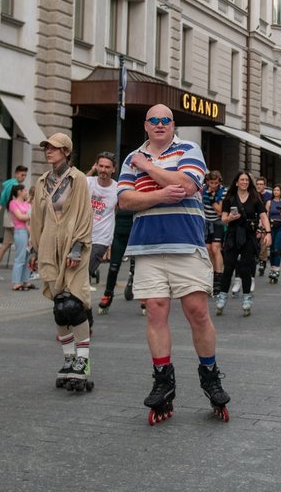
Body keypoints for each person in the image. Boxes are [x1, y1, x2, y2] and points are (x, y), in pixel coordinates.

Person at [117, 105, 229, 422]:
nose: (160, 124)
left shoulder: (188, 148)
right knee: (155, 310)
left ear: (173, 124)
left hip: (185, 244)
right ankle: (163, 380)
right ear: (145, 126)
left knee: (197, 311)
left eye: (166, 120)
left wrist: (148, 169)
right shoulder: (130, 158)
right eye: (154, 120)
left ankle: (210, 375)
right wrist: (163, 194)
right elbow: (125, 200)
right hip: (147, 246)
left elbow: (189, 185)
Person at [31, 132, 94, 391]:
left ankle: (83, 361)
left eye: (54, 148)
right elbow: (37, 218)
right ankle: (68, 359)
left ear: (66, 151)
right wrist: (35, 251)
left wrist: (78, 247)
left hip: (72, 245)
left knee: (74, 303)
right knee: (59, 306)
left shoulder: (77, 179)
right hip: (48, 244)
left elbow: (84, 214)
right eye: (47, 148)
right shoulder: (42, 182)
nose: (49, 151)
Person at [217, 171, 271, 316]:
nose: (245, 182)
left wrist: (268, 233)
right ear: (236, 182)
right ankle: (222, 296)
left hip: (249, 235)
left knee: (246, 268)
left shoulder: (255, 198)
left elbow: (264, 217)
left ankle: (247, 298)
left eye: (247, 180)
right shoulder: (230, 198)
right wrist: (230, 218)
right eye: (242, 180)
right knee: (228, 267)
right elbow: (223, 219)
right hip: (233, 235)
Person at [87, 152, 119, 290]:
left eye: (107, 167)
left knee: (87, 268)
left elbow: (118, 210)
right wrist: (91, 170)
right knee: (76, 270)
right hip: (81, 234)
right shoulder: (88, 182)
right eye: (100, 166)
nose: (103, 170)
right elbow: (74, 184)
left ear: (113, 169)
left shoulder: (117, 189)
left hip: (101, 238)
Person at [0, 165, 29, 272]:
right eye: (22, 174)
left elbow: (3, 199)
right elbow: (13, 201)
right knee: (22, 244)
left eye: (25, 175)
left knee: (6, 244)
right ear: (16, 173)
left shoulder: (9, 184)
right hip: (14, 216)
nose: (23, 177)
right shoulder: (15, 186)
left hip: (10, 214)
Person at [202, 170, 226, 296]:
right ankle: (211, 276)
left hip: (217, 222)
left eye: (216, 183)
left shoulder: (223, 191)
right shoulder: (202, 190)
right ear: (207, 182)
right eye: (211, 183)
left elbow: (220, 211)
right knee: (208, 249)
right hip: (205, 222)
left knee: (216, 248)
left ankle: (218, 278)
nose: (213, 185)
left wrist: (211, 198)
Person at [7, 184, 33, 290]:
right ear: (19, 192)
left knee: (28, 257)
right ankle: (16, 282)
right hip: (20, 231)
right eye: (25, 190)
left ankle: (25, 281)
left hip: (29, 231)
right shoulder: (13, 203)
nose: (26, 192)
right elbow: (20, 217)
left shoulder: (27, 204)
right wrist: (30, 216)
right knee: (20, 257)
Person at [265, 185, 281, 284]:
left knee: (277, 249)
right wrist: (264, 229)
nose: (275, 191)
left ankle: (276, 271)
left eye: (278, 190)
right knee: (272, 250)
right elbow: (265, 216)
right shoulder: (269, 202)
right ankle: (272, 269)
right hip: (271, 226)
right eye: (274, 190)